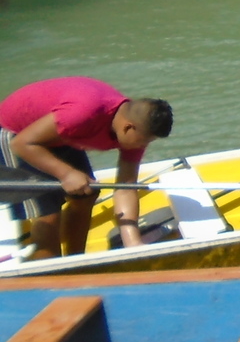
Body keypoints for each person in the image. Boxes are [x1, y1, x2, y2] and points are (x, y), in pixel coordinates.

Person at [0, 78, 174, 259]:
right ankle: (49, 269)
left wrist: (133, 243)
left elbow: (125, 187)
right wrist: (66, 173)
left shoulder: (136, 129)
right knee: (49, 215)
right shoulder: (82, 114)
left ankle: (76, 260)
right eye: (144, 140)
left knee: (86, 195)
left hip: (60, 135)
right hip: (17, 134)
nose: (144, 145)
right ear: (128, 127)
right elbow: (21, 144)